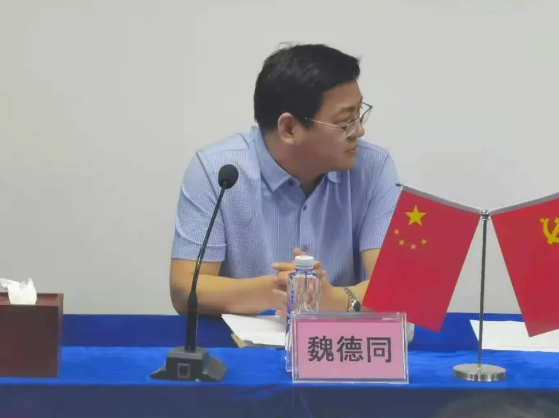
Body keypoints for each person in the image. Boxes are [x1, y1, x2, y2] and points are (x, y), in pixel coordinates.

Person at [169, 43, 400, 317]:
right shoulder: (218, 170)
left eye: (359, 114)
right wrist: (276, 290)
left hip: (336, 341)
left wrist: (334, 299)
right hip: (241, 341)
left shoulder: (373, 167)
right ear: (289, 128)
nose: (359, 131)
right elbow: (185, 288)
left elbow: (398, 287)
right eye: (345, 122)